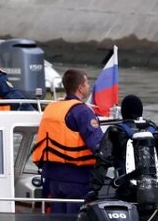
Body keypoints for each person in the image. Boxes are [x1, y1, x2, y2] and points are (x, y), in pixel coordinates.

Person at [89, 95, 158, 221]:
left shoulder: (115, 132)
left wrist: (94, 191)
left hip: (127, 192)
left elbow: (102, 162)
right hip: (157, 193)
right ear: (141, 112)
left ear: (123, 113)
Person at [32, 69, 104, 213]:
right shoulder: (82, 111)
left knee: (58, 219)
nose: (89, 86)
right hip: (77, 178)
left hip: (52, 178)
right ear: (80, 88)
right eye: (87, 83)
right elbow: (98, 145)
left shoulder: (51, 109)